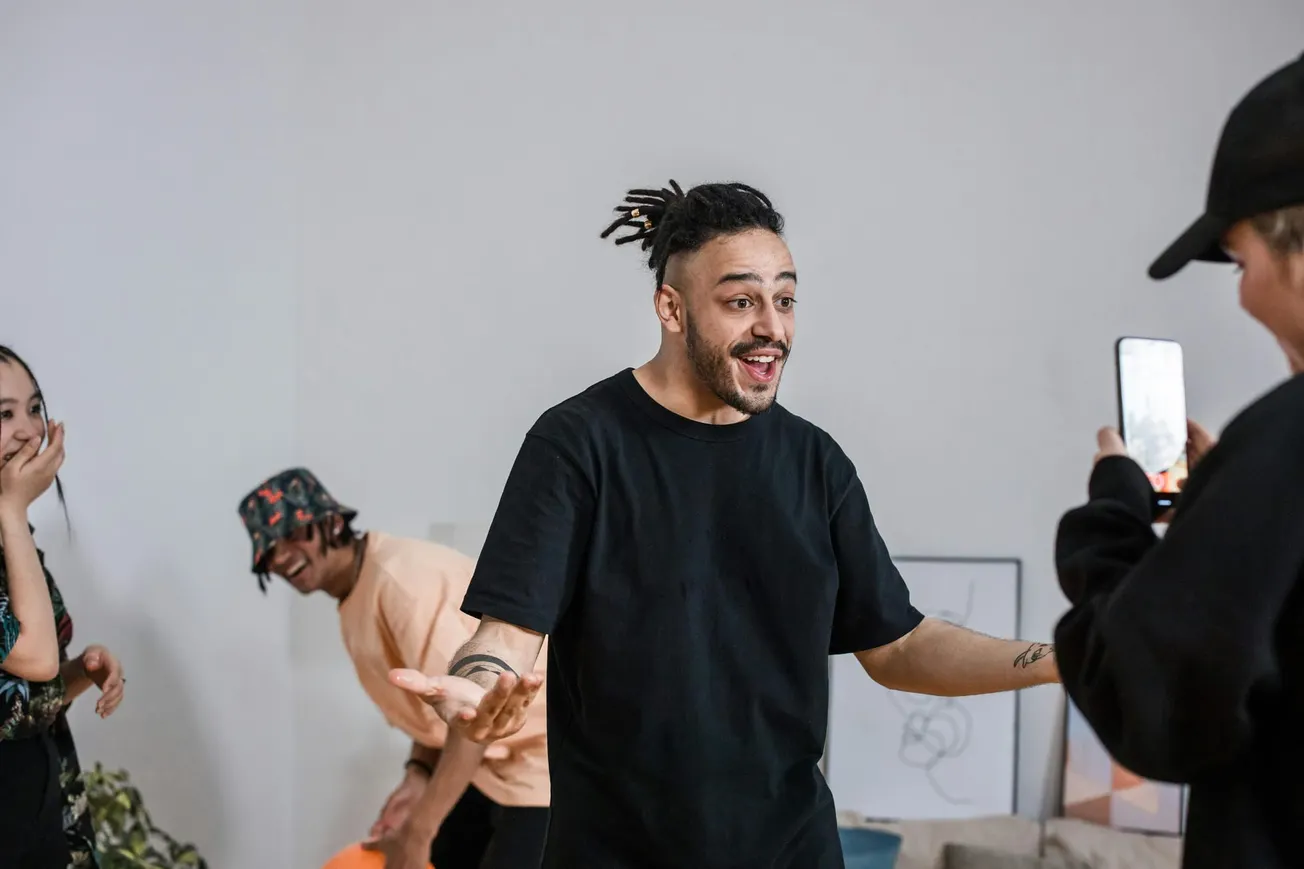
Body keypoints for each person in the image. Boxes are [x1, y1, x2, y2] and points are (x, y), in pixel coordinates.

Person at [390, 180, 1061, 868]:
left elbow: (899, 646)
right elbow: (507, 633)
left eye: (786, 299)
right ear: (671, 308)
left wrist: (1060, 659)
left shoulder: (816, 464)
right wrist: (477, 686)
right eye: (741, 301)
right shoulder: (579, 444)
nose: (772, 325)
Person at [1053, 52, 1304, 869]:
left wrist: (1113, 513)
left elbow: (1142, 698)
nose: (1242, 294)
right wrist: (1227, 505)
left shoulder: (1286, 443)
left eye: (1240, 262)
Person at [235, 468, 549, 869]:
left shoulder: (399, 584)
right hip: (492, 766)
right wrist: (417, 774)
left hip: (539, 766)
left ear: (331, 522)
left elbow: (472, 716)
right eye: (267, 550)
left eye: (292, 535)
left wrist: (421, 831)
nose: (279, 557)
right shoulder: (357, 590)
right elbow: (436, 700)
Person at [0, 345, 126, 868]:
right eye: (4, 414)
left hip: (39, 820)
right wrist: (11, 507)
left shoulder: (12, 535)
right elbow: (32, 657)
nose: (30, 430)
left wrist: (81, 671)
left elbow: (25, 694)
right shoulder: (10, 523)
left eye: (35, 408)